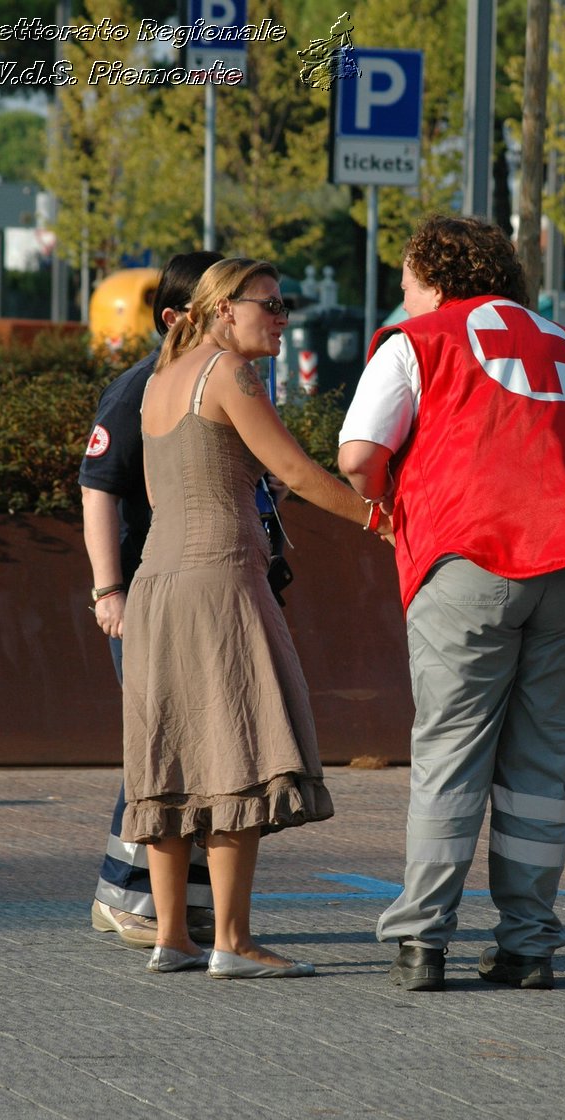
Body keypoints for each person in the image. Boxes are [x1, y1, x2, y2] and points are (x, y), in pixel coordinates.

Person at [338, 214, 565, 992]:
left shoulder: (417, 341)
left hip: (470, 555)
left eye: (407, 282)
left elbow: (358, 455)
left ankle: (421, 942)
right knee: (541, 763)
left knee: (450, 751)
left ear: (435, 279)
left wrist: (384, 505)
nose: (403, 297)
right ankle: (529, 944)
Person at [121, 256, 392, 977]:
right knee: (235, 749)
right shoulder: (230, 375)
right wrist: (383, 520)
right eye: (268, 305)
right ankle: (233, 942)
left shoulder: (157, 383)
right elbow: (300, 472)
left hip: (156, 583)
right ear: (220, 311)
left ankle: (171, 937)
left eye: (283, 305)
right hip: (220, 579)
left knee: (171, 756)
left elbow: (162, 489)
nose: (282, 318)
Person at [80, 251, 223, 949]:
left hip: (205, 589)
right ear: (176, 317)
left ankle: (183, 903)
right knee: (160, 741)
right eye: (222, 300)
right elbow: (98, 486)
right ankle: (124, 896)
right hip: (148, 592)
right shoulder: (140, 388)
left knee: (197, 743)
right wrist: (110, 590)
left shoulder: (224, 382)